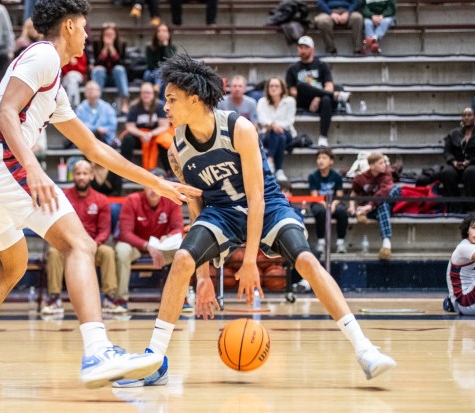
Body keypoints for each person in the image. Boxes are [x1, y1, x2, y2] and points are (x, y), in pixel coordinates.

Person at [0, 0, 200, 390]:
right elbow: (6, 113)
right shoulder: (43, 56)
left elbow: (95, 150)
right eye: (85, 27)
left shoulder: (54, 86)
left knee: (12, 266)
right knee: (79, 245)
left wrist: (155, 182)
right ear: (69, 26)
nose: (88, 35)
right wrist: (34, 169)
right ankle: (97, 349)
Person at [113, 54, 396, 388]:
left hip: (266, 205)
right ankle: (155, 360)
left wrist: (249, 260)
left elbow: (257, 197)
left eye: (172, 99)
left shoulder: (239, 128)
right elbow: (195, 204)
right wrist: (202, 276)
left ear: (195, 99)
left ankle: (364, 349)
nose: (166, 107)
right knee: (184, 259)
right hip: (221, 211)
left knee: (305, 259)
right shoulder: (177, 147)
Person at [43, 160, 124, 315]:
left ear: (92, 176)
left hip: (92, 247)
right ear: (73, 175)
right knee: (53, 253)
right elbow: (56, 224)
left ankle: (109, 298)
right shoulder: (63, 196)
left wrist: (93, 245)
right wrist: (67, 243)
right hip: (66, 246)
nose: (81, 177)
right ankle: (55, 299)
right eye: (78, 173)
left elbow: (104, 230)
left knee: (108, 252)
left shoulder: (101, 200)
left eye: (85, 173)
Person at [114, 168, 184, 308]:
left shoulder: (172, 201)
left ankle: (183, 300)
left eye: (157, 185)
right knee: (121, 250)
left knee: (183, 253)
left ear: (165, 186)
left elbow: (178, 228)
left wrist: (168, 236)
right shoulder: (132, 200)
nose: (153, 190)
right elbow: (125, 233)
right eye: (150, 185)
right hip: (137, 246)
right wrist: (147, 245)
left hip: (162, 248)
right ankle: (121, 300)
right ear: (143, 185)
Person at [285, 36, 351, 147]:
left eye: (306, 47)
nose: (303, 50)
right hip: (303, 100)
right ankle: (337, 96)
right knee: (301, 86)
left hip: (321, 101)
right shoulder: (292, 68)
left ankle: (323, 137)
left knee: (326, 99)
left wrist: (317, 97)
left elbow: (329, 85)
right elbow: (293, 92)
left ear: (312, 50)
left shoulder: (322, 65)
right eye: (300, 47)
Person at [349, 152, 400, 260]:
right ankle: (386, 244)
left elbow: (383, 192)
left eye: (384, 162)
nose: (384, 165)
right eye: (380, 163)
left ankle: (365, 213)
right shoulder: (360, 178)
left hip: (378, 206)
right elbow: (353, 193)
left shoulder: (387, 174)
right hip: (374, 207)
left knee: (392, 192)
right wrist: (352, 207)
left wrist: (369, 206)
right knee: (382, 205)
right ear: (372, 166)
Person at [121, 82, 173, 172]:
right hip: (139, 135)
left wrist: (151, 134)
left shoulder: (160, 106)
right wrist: (142, 134)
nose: (146, 95)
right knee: (127, 139)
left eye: (148, 93)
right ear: (140, 94)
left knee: (164, 142)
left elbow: (164, 126)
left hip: (156, 134)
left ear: (153, 94)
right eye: (144, 93)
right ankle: (125, 169)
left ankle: (169, 171)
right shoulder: (134, 106)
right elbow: (130, 126)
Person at [308, 148, 349, 255]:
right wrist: (326, 205)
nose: (320, 161)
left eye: (324, 158)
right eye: (319, 158)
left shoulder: (336, 176)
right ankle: (321, 242)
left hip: (334, 202)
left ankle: (341, 242)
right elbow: (315, 196)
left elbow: (339, 195)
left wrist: (333, 204)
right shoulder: (313, 176)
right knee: (320, 211)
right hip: (319, 203)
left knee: (342, 211)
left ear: (331, 161)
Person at [257, 76, 296, 182]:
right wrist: (273, 126)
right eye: (271, 86)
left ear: (282, 89)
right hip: (268, 134)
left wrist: (274, 125)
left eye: (276, 86)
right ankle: (279, 170)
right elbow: (261, 119)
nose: (273, 88)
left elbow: (289, 121)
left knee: (281, 135)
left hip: (286, 132)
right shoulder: (262, 101)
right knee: (280, 137)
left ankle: (269, 160)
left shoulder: (290, 101)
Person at [440, 107, 475, 213]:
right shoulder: (453, 133)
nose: (467, 117)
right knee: (447, 172)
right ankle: (456, 206)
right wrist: (453, 162)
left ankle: (471, 207)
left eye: (469, 115)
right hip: (456, 164)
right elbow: (447, 152)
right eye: (464, 115)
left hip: (472, 164)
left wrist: (469, 162)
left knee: (471, 172)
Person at [91, 22, 130, 114]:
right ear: (102, 35)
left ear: (116, 35)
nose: (109, 37)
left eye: (111, 35)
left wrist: (111, 48)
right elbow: (96, 63)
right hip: (101, 77)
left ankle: (124, 102)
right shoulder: (97, 44)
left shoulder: (122, 44)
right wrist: (105, 49)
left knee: (119, 69)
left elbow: (122, 64)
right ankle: (95, 102)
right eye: (106, 35)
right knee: (98, 69)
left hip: (116, 77)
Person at [444, 213, 475, 315]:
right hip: (465, 301)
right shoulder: (464, 247)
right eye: (474, 228)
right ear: (467, 230)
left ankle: (449, 302)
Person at [75, 81, 118, 147]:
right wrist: (96, 129)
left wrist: (104, 129)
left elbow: (112, 125)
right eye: (88, 89)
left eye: (93, 89)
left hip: (105, 138)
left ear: (99, 92)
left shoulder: (107, 107)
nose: (91, 91)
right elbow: (79, 125)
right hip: (86, 139)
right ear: (85, 93)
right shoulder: (80, 109)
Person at [143, 23, 177, 97]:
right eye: (159, 31)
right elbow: (150, 65)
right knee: (157, 72)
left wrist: (165, 47)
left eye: (164, 31)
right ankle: (157, 86)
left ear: (168, 34)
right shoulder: (150, 47)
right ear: (156, 34)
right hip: (151, 73)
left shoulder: (172, 48)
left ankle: (158, 87)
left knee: (165, 76)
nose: (162, 33)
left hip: (165, 74)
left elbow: (170, 64)